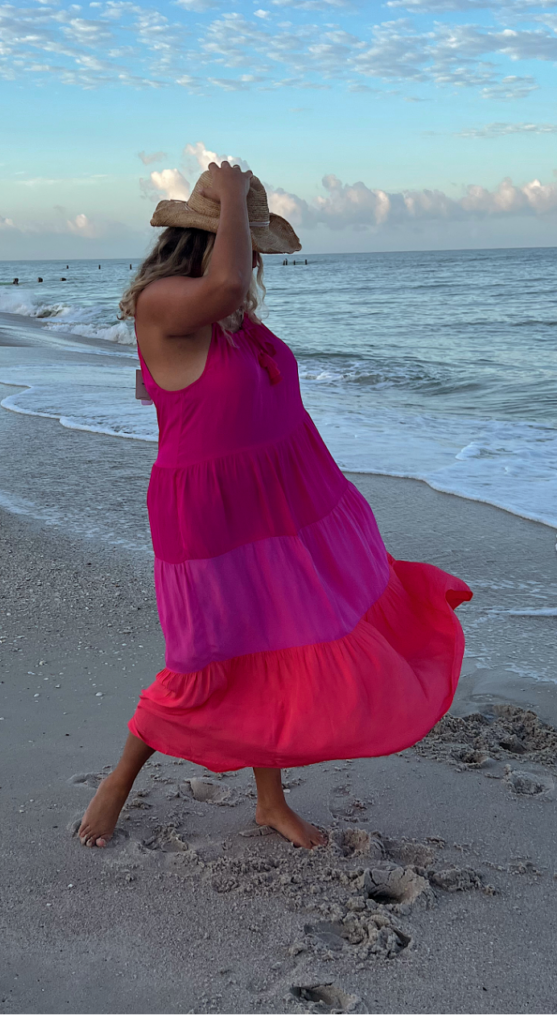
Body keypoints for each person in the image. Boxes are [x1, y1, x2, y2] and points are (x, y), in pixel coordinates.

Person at [77, 162, 472, 849]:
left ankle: (268, 803)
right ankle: (119, 777)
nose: (255, 257)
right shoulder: (163, 301)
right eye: (248, 239)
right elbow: (226, 279)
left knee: (274, 648)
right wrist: (231, 193)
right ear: (203, 237)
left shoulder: (232, 320)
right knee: (206, 658)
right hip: (210, 518)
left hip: (285, 504)